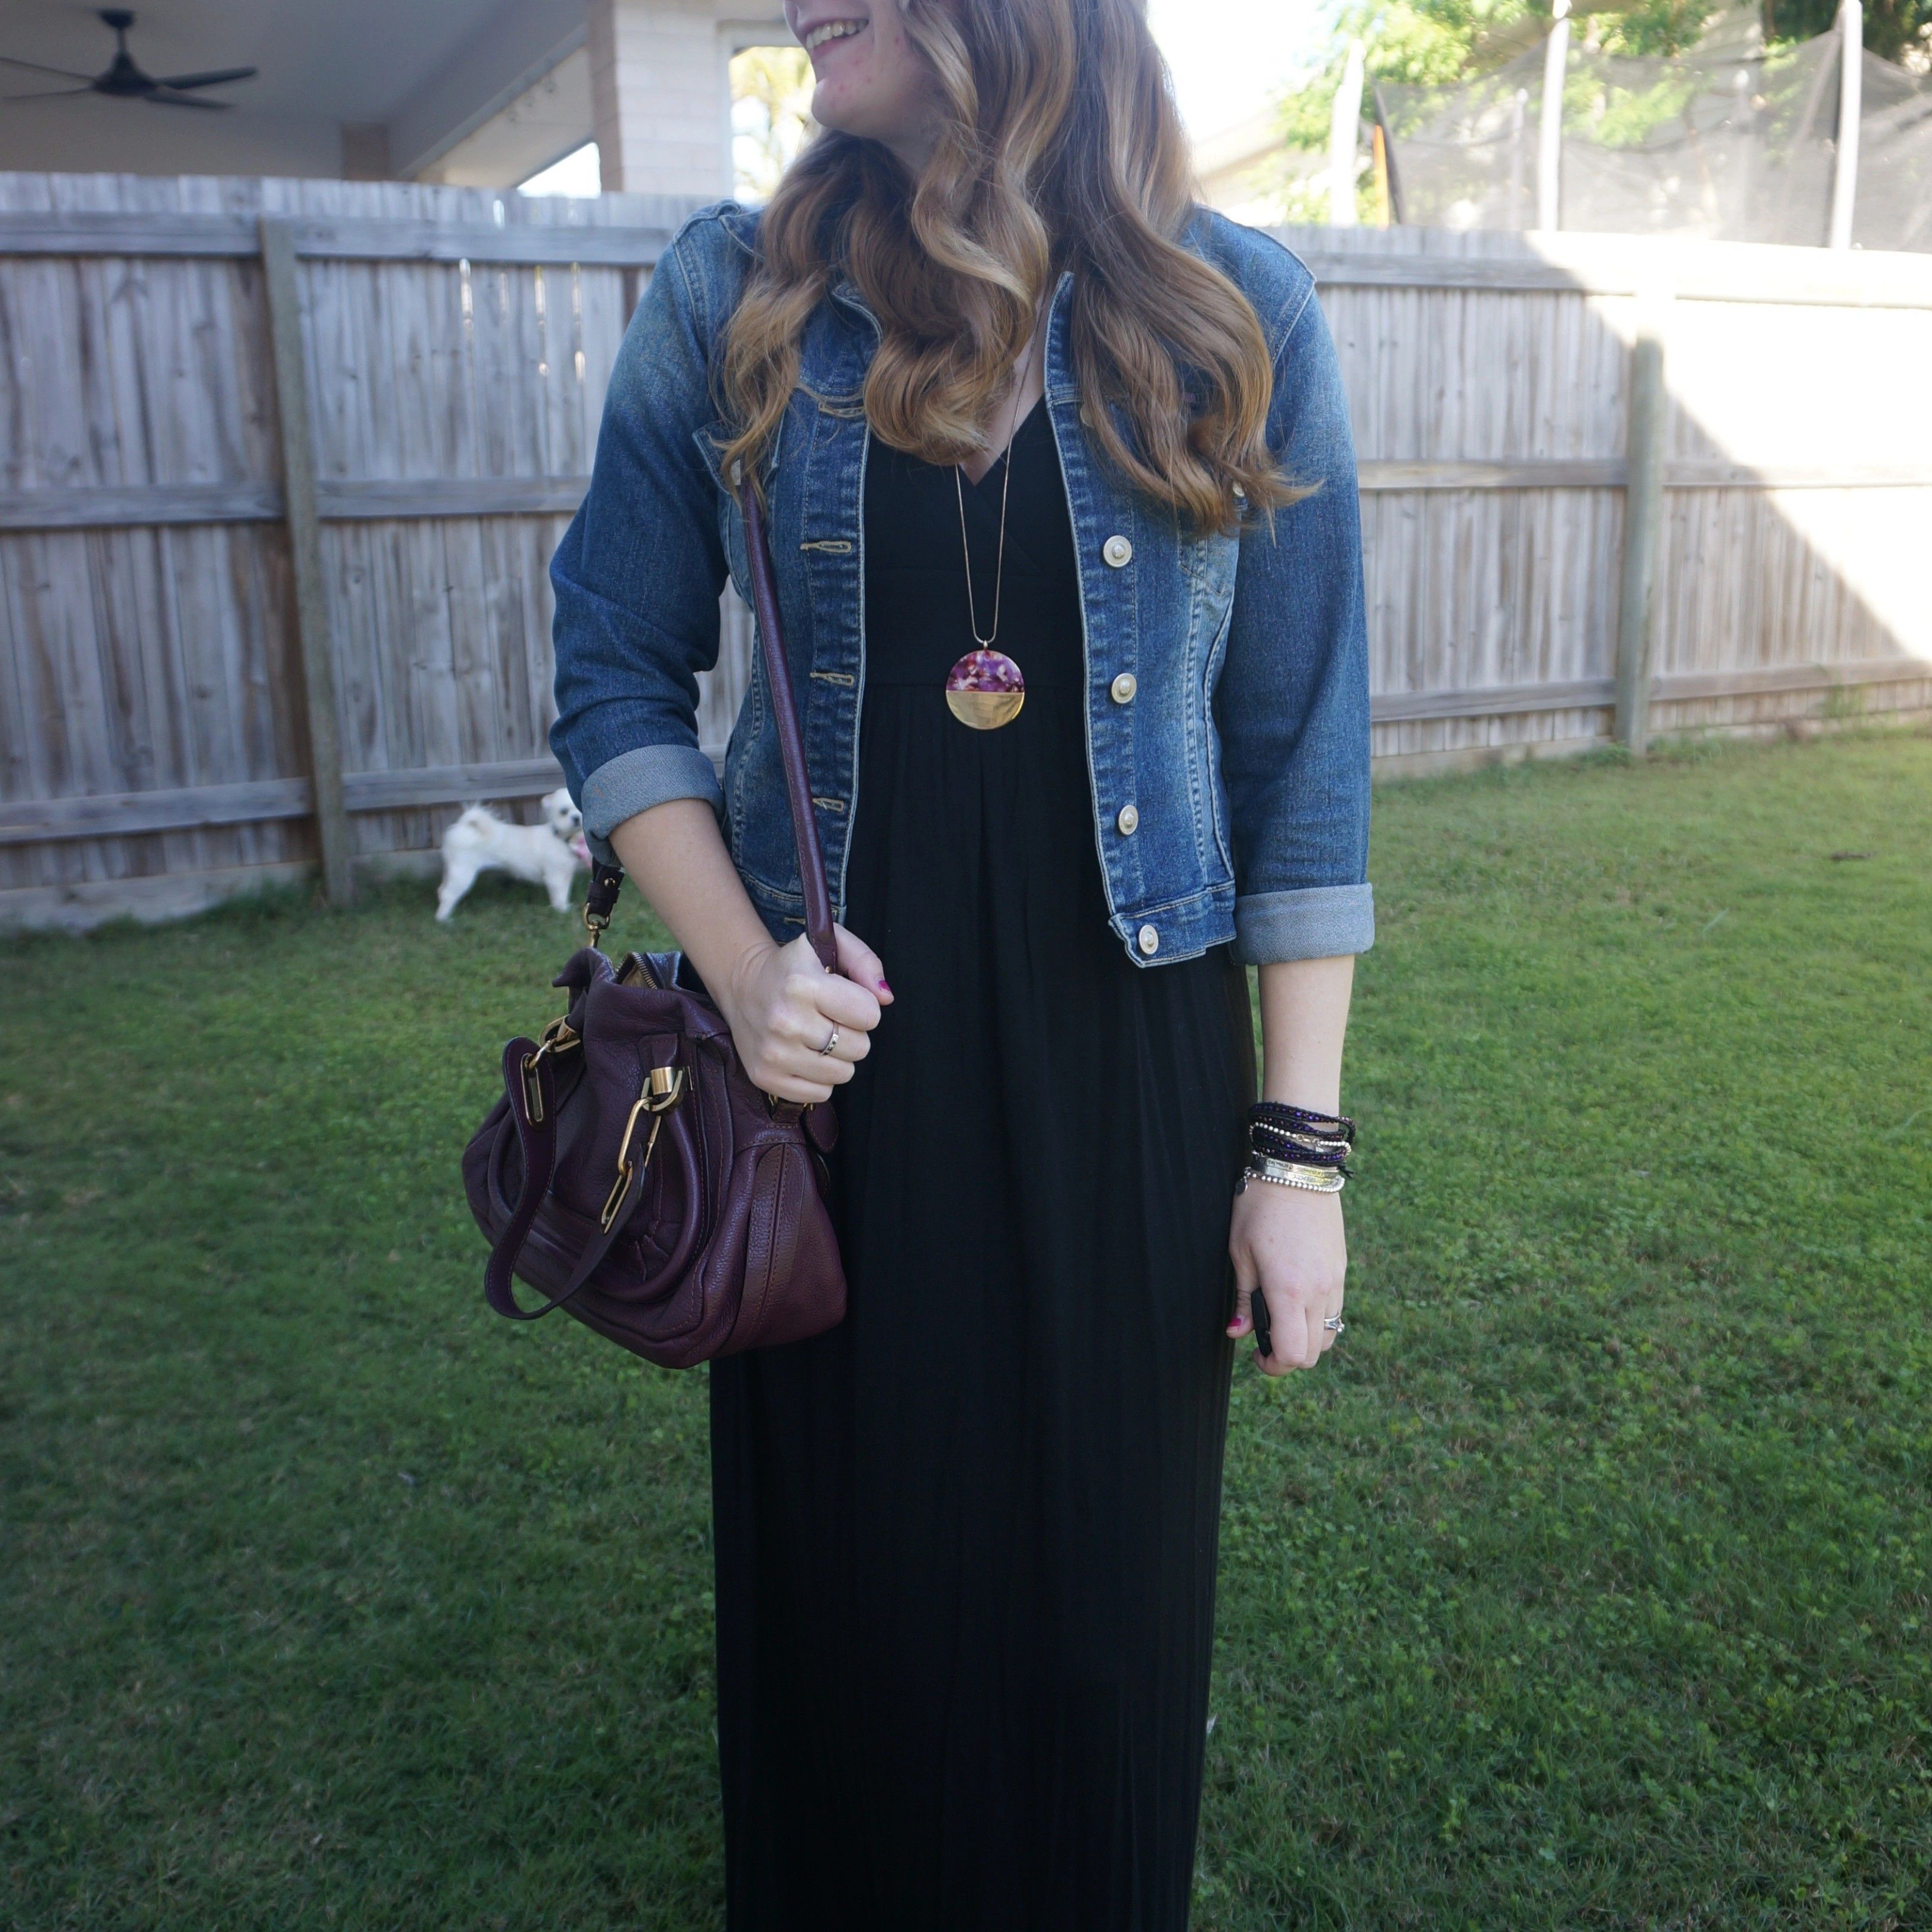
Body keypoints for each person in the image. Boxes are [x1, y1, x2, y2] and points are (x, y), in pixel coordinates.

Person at [548, 0, 1371, 1921]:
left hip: (1131, 1055)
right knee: (856, 1578)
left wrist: (1297, 1155)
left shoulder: (1228, 308)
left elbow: (1300, 752)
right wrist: (745, 971)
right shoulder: (736, 292)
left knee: (1107, 1587)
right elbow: (611, 656)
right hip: (832, 1071)